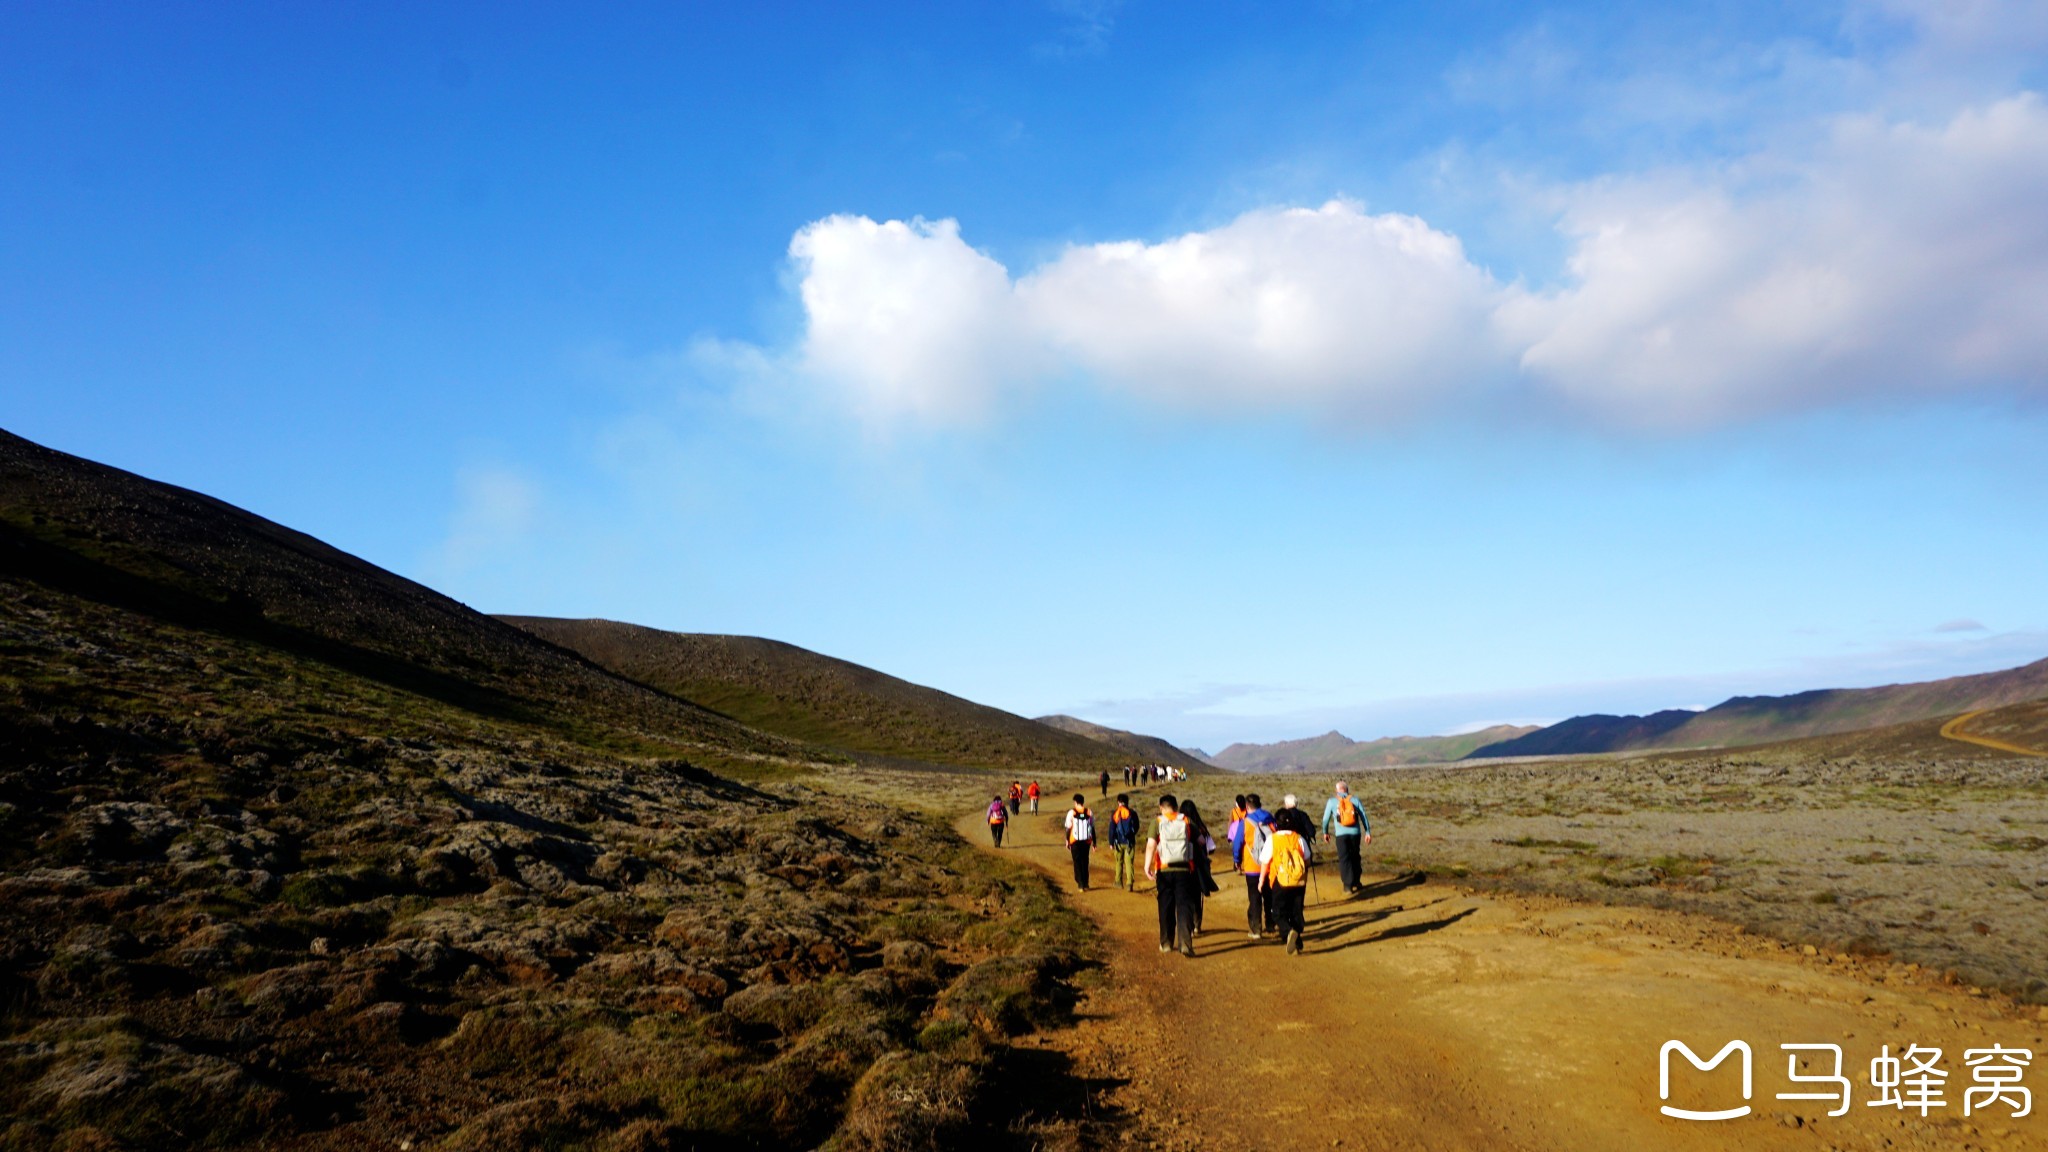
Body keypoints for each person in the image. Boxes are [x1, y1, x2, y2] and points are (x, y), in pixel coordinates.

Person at [1144, 794, 1200, 957]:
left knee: (1165, 906)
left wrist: (1147, 866)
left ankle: (1166, 943)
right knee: (1184, 907)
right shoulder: (1187, 821)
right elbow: (1201, 841)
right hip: (1184, 870)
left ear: (1162, 807)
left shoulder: (1157, 822)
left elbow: (1150, 845)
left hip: (1164, 870)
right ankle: (1185, 944)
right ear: (1176, 806)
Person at [1259, 816, 1313, 954]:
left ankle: (1289, 932)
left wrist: (1261, 881)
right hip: (1299, 881)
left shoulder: (1273, 839)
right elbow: (1307, 860)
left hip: (1280, 880)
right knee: (1296, 911)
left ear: (1277, 824)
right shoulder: (1299, 838)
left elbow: (1265, 862)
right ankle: (1296, 942)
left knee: (1277, 912)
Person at [1232, 794, 1276, 939]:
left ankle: (1256, 929)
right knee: (1269, 896)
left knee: (1255, 898)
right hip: (1270, 865)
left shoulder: (1245, 822)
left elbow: (1237, 843)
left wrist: (1237, 860)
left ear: (1247, 806)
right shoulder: (1271, 819)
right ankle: (1271, 924)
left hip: (1252, 867)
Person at [1320, 781, 1373, 895]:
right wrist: (1367, 832)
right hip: (1355, 833)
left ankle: (1348, 885)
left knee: (1344, 859)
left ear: (1337, 790)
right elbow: (1363, 815)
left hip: (1340, 834)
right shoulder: (1355, 800)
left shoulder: (1332, 801)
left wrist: (1325, 832)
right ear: (1347, 790)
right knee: (1355, 856)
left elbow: (1325, 819)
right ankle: (1357, 881)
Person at [1180, 799, 1219, 932]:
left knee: (1186, 896)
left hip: (1183, 864)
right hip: (1199, 865)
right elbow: (1211, 848)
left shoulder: (1179, 825)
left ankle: (1188, 925)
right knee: (1197, 895)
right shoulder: (1201, 827)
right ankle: (1197, 924)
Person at [1063, 792, 1097, 890]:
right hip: (1086, 841)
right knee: (1085, 861)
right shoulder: (1089, 812)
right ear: (1083, 802)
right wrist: (1094, 842)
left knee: (1077, 862)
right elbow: (1092, 828)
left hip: (1075, 841)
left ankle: (1080, 884)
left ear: (1075, 802)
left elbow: (1068, 828)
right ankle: (1086, 883)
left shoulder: (1071, 813)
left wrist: (1067, 840)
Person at [1108, 793, 1140, 890]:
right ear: (1127, 802)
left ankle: (1118, 882)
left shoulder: (1115, 813)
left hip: (1118, 842)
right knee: (1129, 863)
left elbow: (1112, 829)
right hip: (1130, 842)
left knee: (1119, 862)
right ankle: (1129, 883)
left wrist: (1111, 842)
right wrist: (1131, 836)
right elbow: (1137, 827)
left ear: (1118, 802)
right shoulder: (1133, 813)